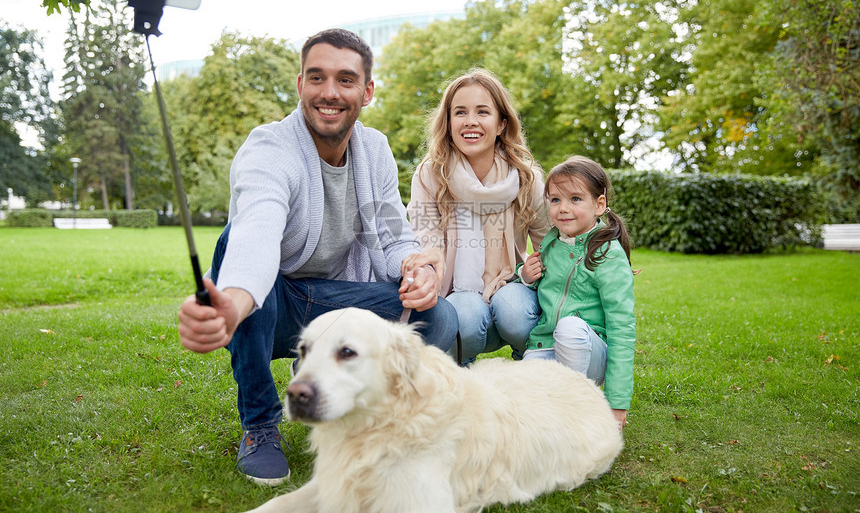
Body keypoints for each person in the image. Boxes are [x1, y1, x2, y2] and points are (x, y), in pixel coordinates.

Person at [176, 28, 459, 486]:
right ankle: (261, 426)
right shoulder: (270, 147)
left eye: (346, 80)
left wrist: (417, 267)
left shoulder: (376, 149)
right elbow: (256, 234)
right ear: (301, 84)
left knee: (439, 317)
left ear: (367, 91)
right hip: (263, 305)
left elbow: (392, 236)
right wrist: (233, 299)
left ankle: (367, 415)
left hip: (331, 299)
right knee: (236, 243)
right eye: (317, 77)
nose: (330, 93)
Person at [408, 68, 550, 366]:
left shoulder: (526, 179)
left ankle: (534, 368)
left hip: (513, 285)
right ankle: (460, 373)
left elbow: (550, 243)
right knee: (466, 316)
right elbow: (426, 239)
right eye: (460, 112)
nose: (471, 121)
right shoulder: (431, 175)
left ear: (501, 124)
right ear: (448, 123)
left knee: (515, 312)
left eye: (483, 112)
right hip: (454, 292)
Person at [520, 155, 637, 430]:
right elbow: (550, 286)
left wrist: (617, 403)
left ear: (599, 205)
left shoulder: (607, 254)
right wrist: (525, 275)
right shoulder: (551, 244)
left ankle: (577, 407)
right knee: (522, 397)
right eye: (555, 200)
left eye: (575, 199)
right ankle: (554, 411)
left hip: (587, 352)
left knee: (570, 327)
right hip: (547, 347)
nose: (563, 208)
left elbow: (622, 328)